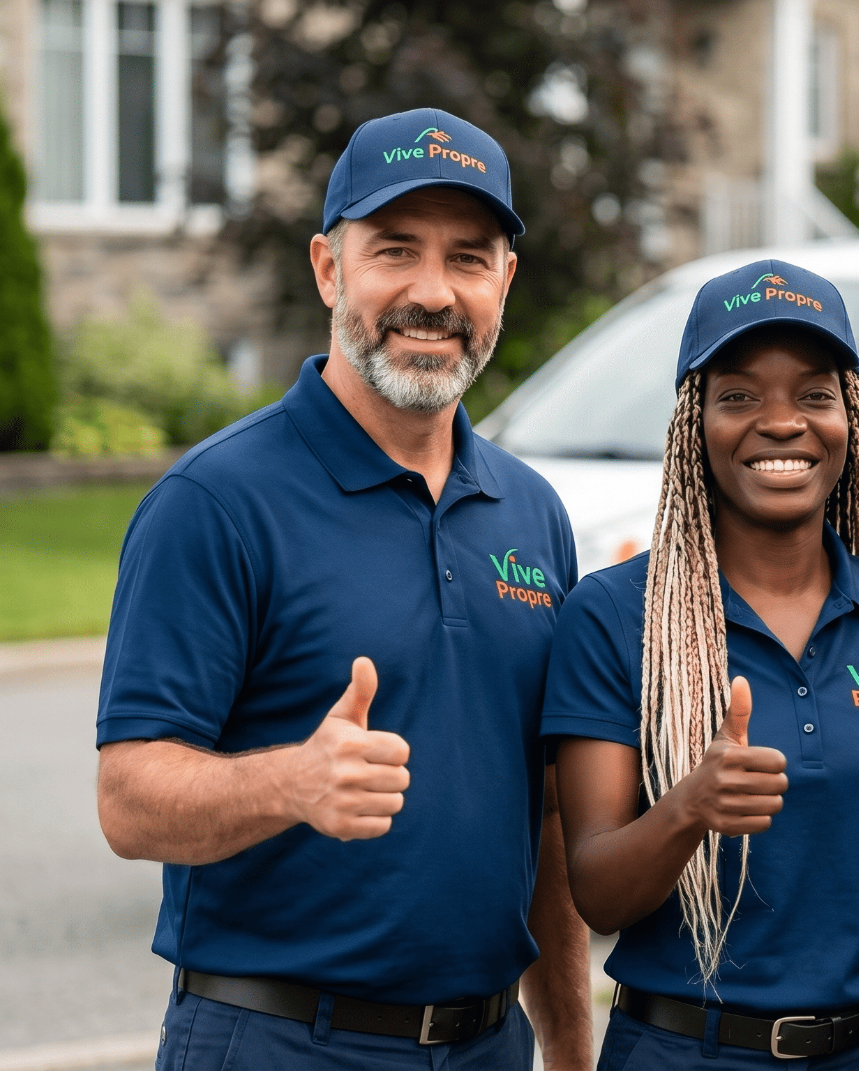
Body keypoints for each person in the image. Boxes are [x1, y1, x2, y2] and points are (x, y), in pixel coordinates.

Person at [94, 108, 592, 1067]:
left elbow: (550, 817)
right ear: (329, 267)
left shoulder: (532, 515)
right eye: (395, 250)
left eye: (469, 257)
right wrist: (293, 780)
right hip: (279, 1039)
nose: (433, 292)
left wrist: (570, 1045)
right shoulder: (216, 502)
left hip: (491, 1042)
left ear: (506, 282)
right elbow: (128, 798)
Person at [541, 259, 859, 1070]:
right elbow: (595, 892)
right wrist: (687, 809)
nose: (783, 422)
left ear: (853, 419)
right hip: (685, 1049)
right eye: (738, 396)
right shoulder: (613, 617)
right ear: (693, 426)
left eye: (815, 394)